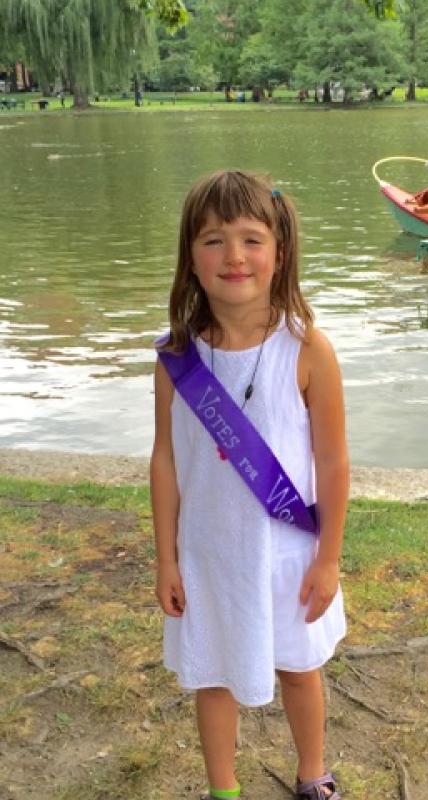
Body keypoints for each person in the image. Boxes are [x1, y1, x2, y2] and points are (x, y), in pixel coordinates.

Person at [151, 170, 348, 800]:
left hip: (288, 555)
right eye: (212, 240)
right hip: (208, 555)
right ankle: (223, 789)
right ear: (190, 256)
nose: (233, 256)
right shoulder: (175, 359)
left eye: (250, 239)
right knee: (213, 677)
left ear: (279, 252)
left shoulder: (309, 350)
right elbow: (165, 461)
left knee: (299, 667)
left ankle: (312, 774)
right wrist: (165, 559)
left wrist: (329, 559)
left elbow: (335, 463)